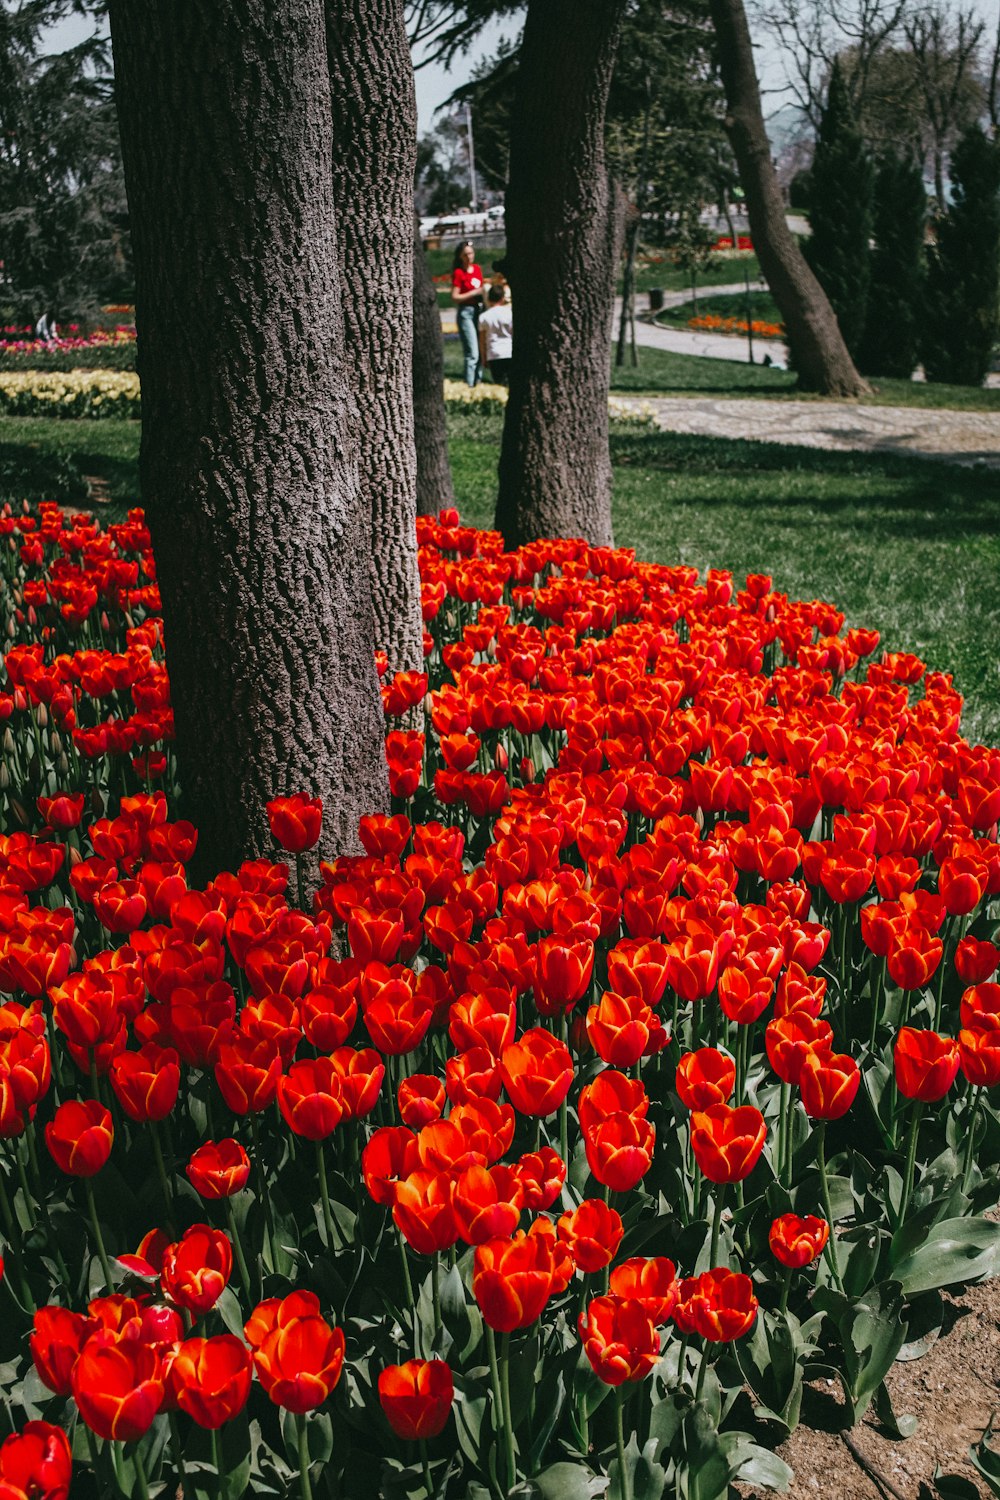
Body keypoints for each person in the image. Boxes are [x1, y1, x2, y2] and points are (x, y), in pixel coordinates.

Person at [450, 240, 484, 386]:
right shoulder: (458, 273)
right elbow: (455, 296)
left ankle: (479, 380)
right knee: (472, 352)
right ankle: (469, 384)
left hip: (479, 310)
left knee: (481, 349)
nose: (469, 257)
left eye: (471, 253)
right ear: (460, 257)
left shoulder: (477, 269)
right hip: (466, 312)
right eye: (466, 254)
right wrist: (473, 293)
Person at [478, 281, 513, 386]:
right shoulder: (510, 314)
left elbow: (482, 341)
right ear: (503, 298)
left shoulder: (484, 317)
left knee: (499, 384)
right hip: (509, 351)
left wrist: (483, 358)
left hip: (494, 354)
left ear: (488, 299)